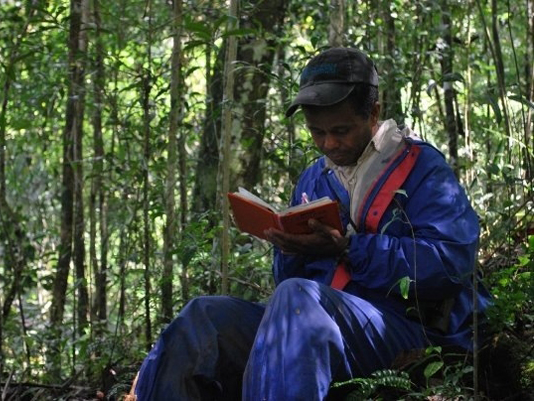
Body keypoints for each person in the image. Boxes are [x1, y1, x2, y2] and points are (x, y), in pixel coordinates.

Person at [133, 47, 491, 400]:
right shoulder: (313, 179)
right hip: (315, 328)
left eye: (341, 130)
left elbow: (451, 263)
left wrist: (350, 249)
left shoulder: (420, 167)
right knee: (204, 317)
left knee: (297, 298)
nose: (329, 143)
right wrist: (289, 247)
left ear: (374, 113)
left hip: (405, 330)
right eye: (317, 132)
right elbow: (288, 284)